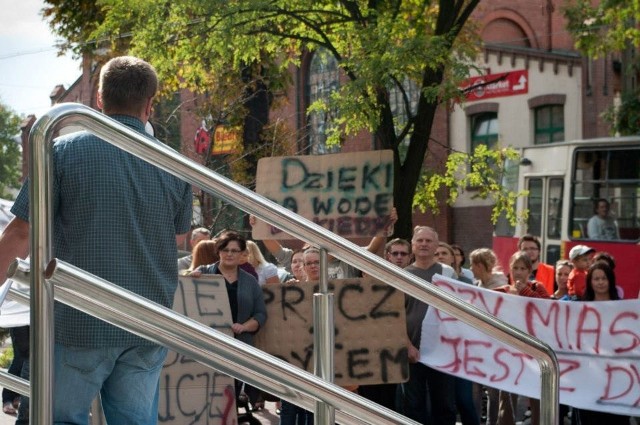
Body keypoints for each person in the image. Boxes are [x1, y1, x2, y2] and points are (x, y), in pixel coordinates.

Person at [0, 56, 193, 424]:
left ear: (99, 100)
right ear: (150, 104)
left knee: (58, 419)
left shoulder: (61, 152)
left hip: (78, 319)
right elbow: (180, 235)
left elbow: (21, 232)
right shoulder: (174, 165)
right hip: (146, 319)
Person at [188, 232, 267, 409]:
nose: (229, 254)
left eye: (234, 250)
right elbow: (186, 302)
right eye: (225, 249)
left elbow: (261, 314)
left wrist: (244, 326)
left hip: (238, 346)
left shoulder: (250, 282)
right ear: (218, 251)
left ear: (241, 254)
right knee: (206, 395)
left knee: (229, 398)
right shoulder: (203, 273)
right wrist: (191, 281)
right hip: (207, 345)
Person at [399, 226, 457, 425]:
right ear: (413, 245)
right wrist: (407, 346)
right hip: (412, 351)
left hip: (443, 350)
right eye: (420, 240)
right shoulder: (401, 275)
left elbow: (459, 312)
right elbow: (396, 315)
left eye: (428, 241)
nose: (424, 244)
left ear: (436, 246)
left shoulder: (447, 273)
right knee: (413, 406)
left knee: (445, 405)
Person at [492, 252, 550, 425]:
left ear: (529, 271)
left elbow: (547, 308)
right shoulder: (502, 291)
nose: (518, 272)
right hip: (509, 349)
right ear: (510, 269)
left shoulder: (537, 287)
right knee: (507, 394)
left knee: (536, 394)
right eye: (515, 268)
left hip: (534, 349)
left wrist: (523, 290)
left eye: (523, 268)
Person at [575, 262, 630, 425]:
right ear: (590, 282)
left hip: (617, 378)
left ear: (610, 281)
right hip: (589, 376)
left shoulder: (622, 308)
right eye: (596, 279)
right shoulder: (580, 308)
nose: (600, 282)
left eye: (604, 278)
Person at [435, 242, 479, 425]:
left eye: (444, 253)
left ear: (453, 258)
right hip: (438, 347)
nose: (440, 256)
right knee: (444, 401)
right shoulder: (429, 280)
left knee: (464, 399)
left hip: (461, 349)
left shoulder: (466, 283)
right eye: (436, 253)